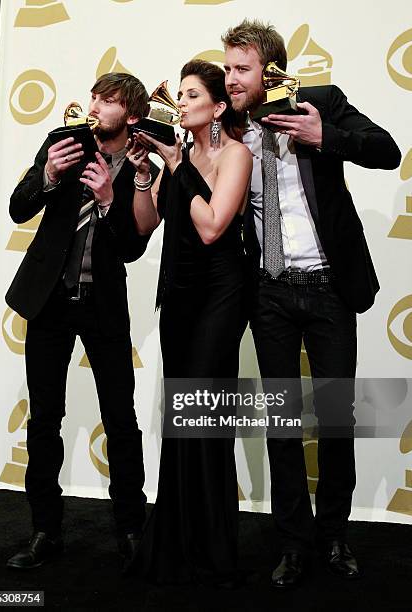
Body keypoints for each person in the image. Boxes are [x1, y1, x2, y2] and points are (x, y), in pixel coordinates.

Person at [222, 19, 401, 587]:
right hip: (269, 293)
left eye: (241, 69)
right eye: (226, 68)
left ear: (270, 69)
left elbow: (388, 151)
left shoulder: (319, 103)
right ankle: (294, 543)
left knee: (335, 420)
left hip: (328, 291)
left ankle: (335, 538)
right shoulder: (229, 125)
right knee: (280, 425)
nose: (230, 79)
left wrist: (328, 139)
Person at [5, 72, 157, 569]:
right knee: (45, 419)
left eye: (107, 100)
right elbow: (17, 208)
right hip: (49, 299)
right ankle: (45, 530)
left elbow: (133, 247)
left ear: (131, 115)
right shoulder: (62, 143)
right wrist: (48, 174)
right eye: (94, 95)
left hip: (103, 303)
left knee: (121, 419)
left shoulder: (143, 163)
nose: (94, 105)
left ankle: (131, 529)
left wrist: (113, 199)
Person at [125, 59, 252, 584]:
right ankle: (178, 538)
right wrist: (141, 173)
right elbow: (144, 223)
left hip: (221, 294)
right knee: (185, 421)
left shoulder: (234, 155)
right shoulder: (175, 157)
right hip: (177, 298)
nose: (180, 101)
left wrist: (177, 167)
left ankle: (211, 545)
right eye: (178, 93)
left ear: (218, 106)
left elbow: (212, 226)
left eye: (192, 93)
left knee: (203, 414)